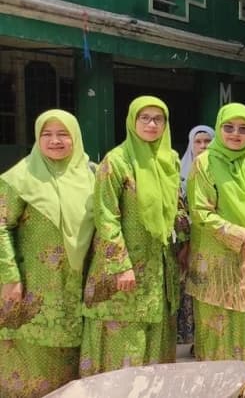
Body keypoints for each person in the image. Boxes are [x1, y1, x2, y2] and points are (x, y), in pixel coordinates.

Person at [80, 96, 189, 376]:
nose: (152, 124)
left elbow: (177, 206)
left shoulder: (170, 161)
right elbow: (106, 216)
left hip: (160, 272)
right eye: (145, 118)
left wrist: (185, 243)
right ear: (132, 121)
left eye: (158, 119)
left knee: (157, 348)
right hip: (125, 272)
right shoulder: (116, 162)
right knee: (125, 349)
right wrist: (120, 265)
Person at [0, 110, 94, 397]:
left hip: (76, 289)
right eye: (47, 134)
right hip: (32, 289)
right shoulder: (19, 177)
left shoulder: (91, 176)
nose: (55, 141)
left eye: (63, 134)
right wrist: (9, 277)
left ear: (75, 138)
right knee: (29, 368)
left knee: (70, 369)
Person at [186, 103, 245, 361]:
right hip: (216, 263)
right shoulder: (204, 163)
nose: (236, 134)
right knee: (217, 334)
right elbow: (200, 213)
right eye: (228, 127)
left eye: (243, 129)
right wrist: (243, 234)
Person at [177, 124, 214, 347]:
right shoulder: (181, 174)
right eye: (198, 142)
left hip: (214, 242)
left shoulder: (219, 172)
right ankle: (196, 342)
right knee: (192, 292)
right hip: (189, 243)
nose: (202, 146)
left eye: (207, 141)